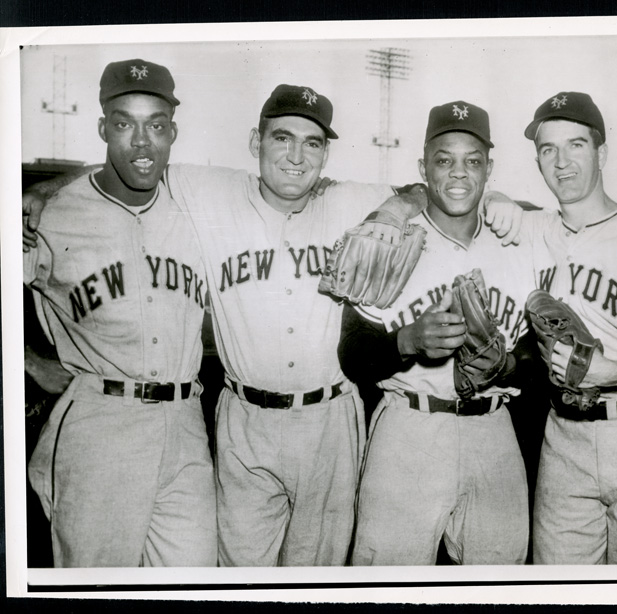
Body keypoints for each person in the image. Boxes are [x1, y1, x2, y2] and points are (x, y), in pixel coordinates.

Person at [23, 83, 524, 567]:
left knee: (318, 579)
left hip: (329, 420)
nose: (296, 157)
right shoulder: (207, 190)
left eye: (312, 143)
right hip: (244, 419)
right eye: (281, 138)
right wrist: (44, 190)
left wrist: (459, 204)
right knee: (239, 574)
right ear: (255, 142)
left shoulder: (351, 201)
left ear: (325, 154)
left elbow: (427, 187)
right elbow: (132, 162)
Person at [23, 59, 217, 567]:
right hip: (102, 423)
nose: (141, 142)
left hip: (186, 423)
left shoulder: (196, 205)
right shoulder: (53, 212)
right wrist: (26, 361)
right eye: (124, 123)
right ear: (102, 128)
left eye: (155, 125)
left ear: (172, 132)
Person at [339, 101, 536, 565]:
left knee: (501, 575)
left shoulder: (518, 239)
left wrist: (509, 363)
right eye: (444, 160)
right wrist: (407, 341)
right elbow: (351, 354)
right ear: (423, 167)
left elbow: (537, 350)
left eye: (473, 161)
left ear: (490, 169)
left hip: (494, 429)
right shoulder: (392, 238)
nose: (458, 174)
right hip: (410, 428)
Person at [524, 91, 617, 564]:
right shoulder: (533, 230)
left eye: (576, 146)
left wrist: (611, 372)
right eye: (548, 150)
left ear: (601, 153)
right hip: (561, 435)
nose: (561, 162)